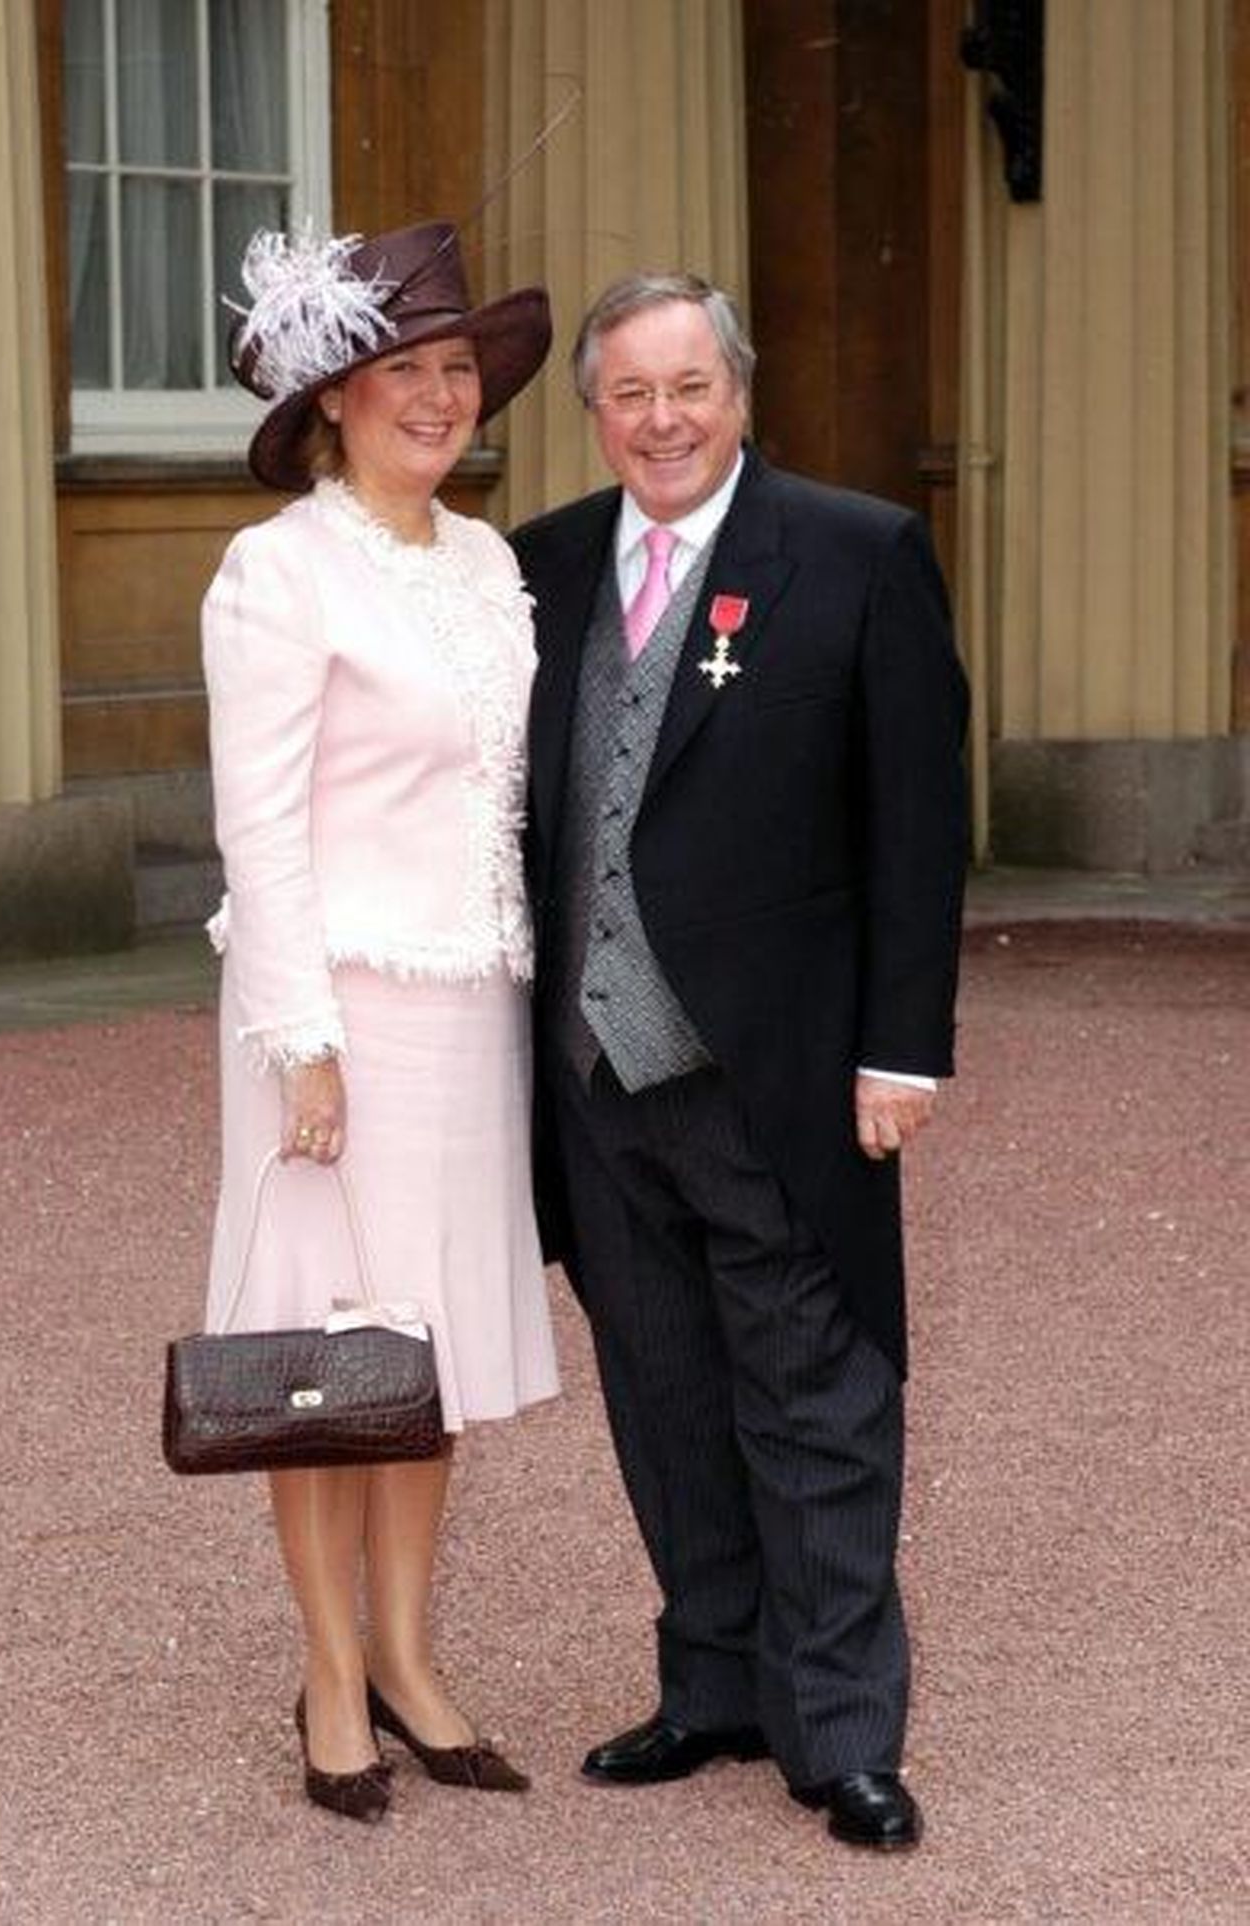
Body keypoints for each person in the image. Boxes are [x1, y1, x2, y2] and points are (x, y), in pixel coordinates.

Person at [511, 273, 968, 1851]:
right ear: (594, 411)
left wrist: (902, 1048)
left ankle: (841, 1731)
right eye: (631, 394)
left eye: (690, 386)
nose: (664, 420)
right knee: (663, 1391)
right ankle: (713, 1681)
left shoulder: (854, 554)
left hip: (777, 1068)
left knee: (817, 1397)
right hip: (593, 1074)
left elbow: (919, 823)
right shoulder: (544, 564)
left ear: (741, 390)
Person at [201, 221, 558, 1823]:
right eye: (403, 368)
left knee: (431, 1350)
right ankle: (331, 1673)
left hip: (474, 1007)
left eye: (457, 366)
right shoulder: (278, 569)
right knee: (327, 1351)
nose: (437, 395)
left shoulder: (488, 563)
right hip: (334, 1015)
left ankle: (410, 1657)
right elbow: (259, 825)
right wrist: (305, 1039)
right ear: (333, 398)